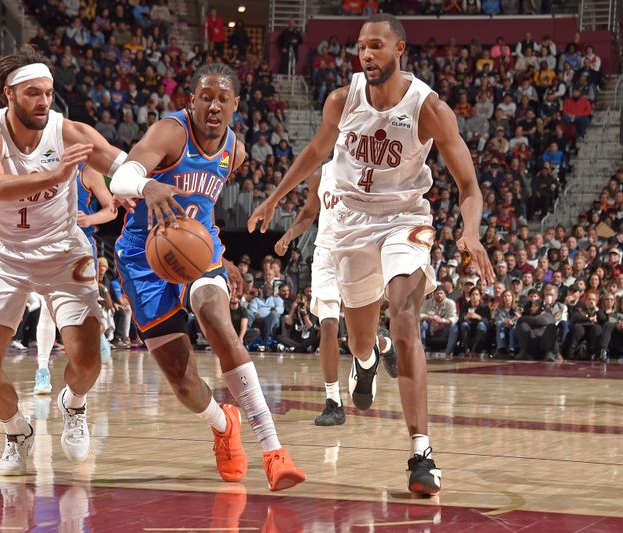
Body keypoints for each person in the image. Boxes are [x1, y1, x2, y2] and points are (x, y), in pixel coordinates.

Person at [248, 14, 495, 495]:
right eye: (361, 46)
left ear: (400, 51)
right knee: (359, 338)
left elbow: (468, 185)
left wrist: (470, 232)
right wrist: (275, 197)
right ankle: (366, 358)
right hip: (347, 223)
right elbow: (315, 152)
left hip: (404, 219)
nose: (365, 54)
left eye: (376, 46)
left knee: (404, 316)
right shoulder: (343, 100)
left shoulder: (429, 108)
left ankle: (421, 452)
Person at [109, 63, 305, 491]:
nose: (213, 105)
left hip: (198, 251)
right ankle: (222, 423)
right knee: (182, 381)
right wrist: (147, 187)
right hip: (144, 257)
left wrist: (219, 252)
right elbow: (121, 176)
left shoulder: (234, 149)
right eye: (205, 97)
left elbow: (203, 201)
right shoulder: (170, 133)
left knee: (215, 317)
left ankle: (273, 450)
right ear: (191, 101)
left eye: (222, 98)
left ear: (235, 105)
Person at [0, 46, 127, 476]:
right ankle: (17, 431)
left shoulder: (68, 130)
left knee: (89, 359)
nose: (43, 101)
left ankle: (73, 403)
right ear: (8, 94)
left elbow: (117, 160)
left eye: (48, 93)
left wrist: (146, 185)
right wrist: (54, 176)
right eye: (32, 93)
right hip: (4, 253)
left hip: (64, 251)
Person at [274, 163, 397, 427]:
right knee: (328, 325)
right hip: (326, 253)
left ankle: (383, 344)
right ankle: (333, 402)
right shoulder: (322, 172)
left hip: (359, 251)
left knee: (358, 338)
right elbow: (309, 212)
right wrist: (290, 234)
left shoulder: (372, 170)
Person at [33, 163, 117, 395]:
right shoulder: (44, 166)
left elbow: (111, 210)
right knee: (46, 308)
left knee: (86, 309)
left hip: (81, 246)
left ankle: (99, 336)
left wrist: (90, 219)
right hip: (49, 243)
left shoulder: (89, 171)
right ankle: (42, 370)